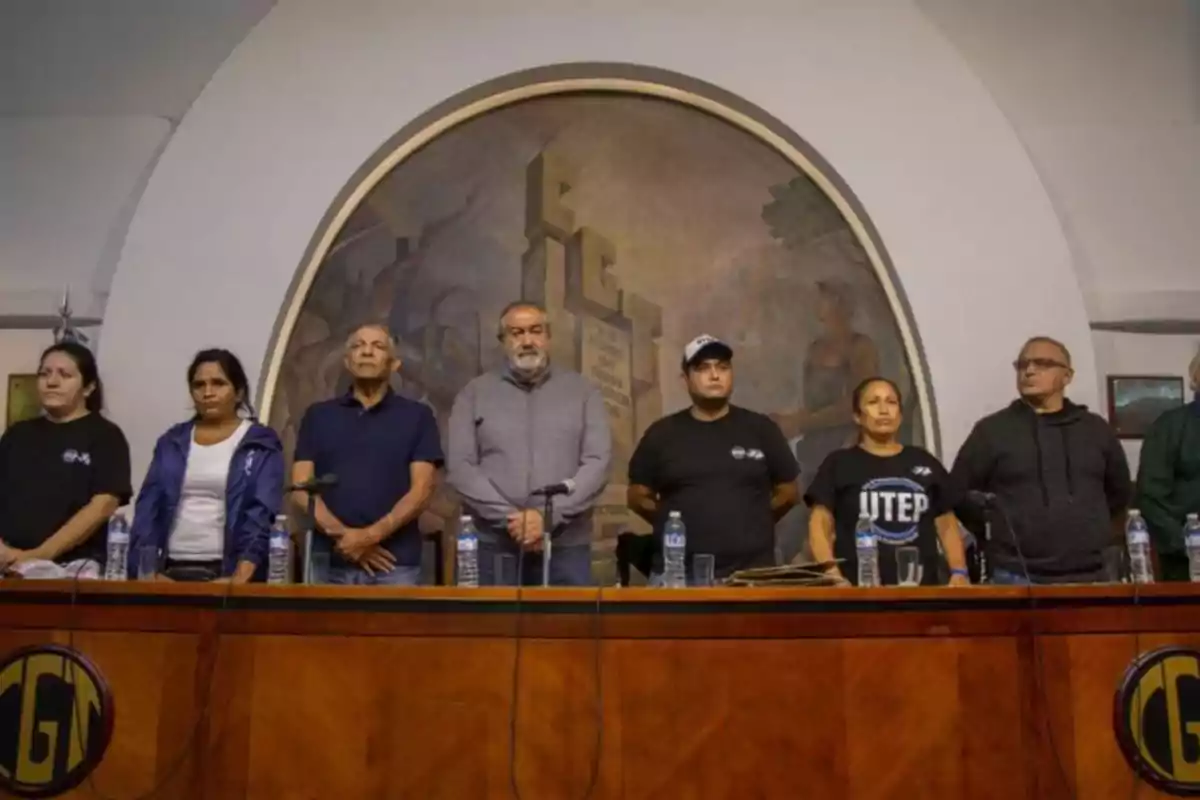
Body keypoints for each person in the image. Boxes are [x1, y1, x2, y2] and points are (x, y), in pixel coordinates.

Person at [447, 302, 611, 586]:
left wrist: (548, 517)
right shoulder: (473, 393)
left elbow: (598, 463)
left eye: (535, 331)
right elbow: (461, 467)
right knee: (492, 629)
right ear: (503, 342)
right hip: (493, 545)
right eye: (516, 333)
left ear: (548, 337)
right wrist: (513, 520)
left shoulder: (584, 392)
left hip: (565, 546)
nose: (526, 340)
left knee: (564, 629)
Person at [951, 336, 1131, 584]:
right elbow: (958, 493)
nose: (1029, 370)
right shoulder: (992, 431)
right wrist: (997, 530)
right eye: (1023, 365)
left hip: (1091, 574)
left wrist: (1091, 531)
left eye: (1042, 363)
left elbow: (1118, 493)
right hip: (1014, 574)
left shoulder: (1096, 430)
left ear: (1067, 376)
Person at [627, 335, 798, 579]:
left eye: (722, 367)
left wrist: (754, 519)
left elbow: (789, 492)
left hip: (753, 574)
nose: (715, 375)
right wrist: (673, 520)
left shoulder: (762, 429)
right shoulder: (661, 434)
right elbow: (636, 497)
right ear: (685, 379)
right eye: (703, 368)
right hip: (678, 574)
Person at [293, 323, 443, 586]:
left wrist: (370, 537)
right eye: (358, 346)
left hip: (395, 563)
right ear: (347, 362)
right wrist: (346, 538)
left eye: (377, 346)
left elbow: (422, 491)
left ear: (394, 364)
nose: (366, 352)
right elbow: (300, 489)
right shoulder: (318, 416)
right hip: (328, 561)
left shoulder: (418, 416)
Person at [130, 349, 284, 583]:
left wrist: (239, 578)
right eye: (199, 385)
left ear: (239, 392)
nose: (208, 393)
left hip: (228, 571)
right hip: (168, 569)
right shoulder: (172, 441)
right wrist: (148, 571)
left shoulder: (260, 443)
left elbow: (261, 514)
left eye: (218, 384)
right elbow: (148, 509)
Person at [804, 377, 969, 586]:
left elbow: (946, 524)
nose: (884, 410)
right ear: (857, 416)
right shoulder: (839, 463)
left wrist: (959, 571)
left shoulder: (923, 461)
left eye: (891, 402)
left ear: (900, 415)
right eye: (873, 402)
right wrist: (831, 572)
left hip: (920, 591)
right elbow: (820, 524)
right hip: (858, 591)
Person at [0, 342, 131, 576]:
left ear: (88, 387)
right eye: (44, 373)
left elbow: (103, 505)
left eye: (65, 375)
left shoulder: (105, 435)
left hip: (73, 569)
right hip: (6, 564)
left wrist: (39, 555)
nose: (51, 382)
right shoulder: (17, 434)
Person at [1135, 349, 1200, 581]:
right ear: (1195, 378)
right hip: (1187, 562)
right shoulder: (1169, 427)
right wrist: (1188, 546)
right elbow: (1151, 498)